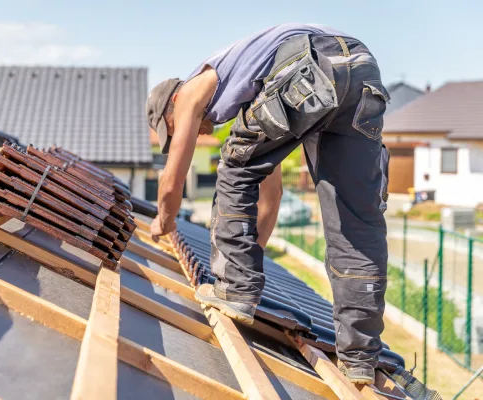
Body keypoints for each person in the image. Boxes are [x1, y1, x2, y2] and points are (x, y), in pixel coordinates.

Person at [145, 23, 390, 384]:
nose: (193, 132)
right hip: (361, 70)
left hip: (309, 62)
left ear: (172, 105)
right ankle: (359, 357)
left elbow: (172, 182)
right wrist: (247, 255)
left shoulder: (194, 87)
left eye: (173, 128)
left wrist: (163, 221)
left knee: (233, 164)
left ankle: (233, 291)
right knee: (355, 222)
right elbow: (269, 198)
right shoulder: (254, 94)